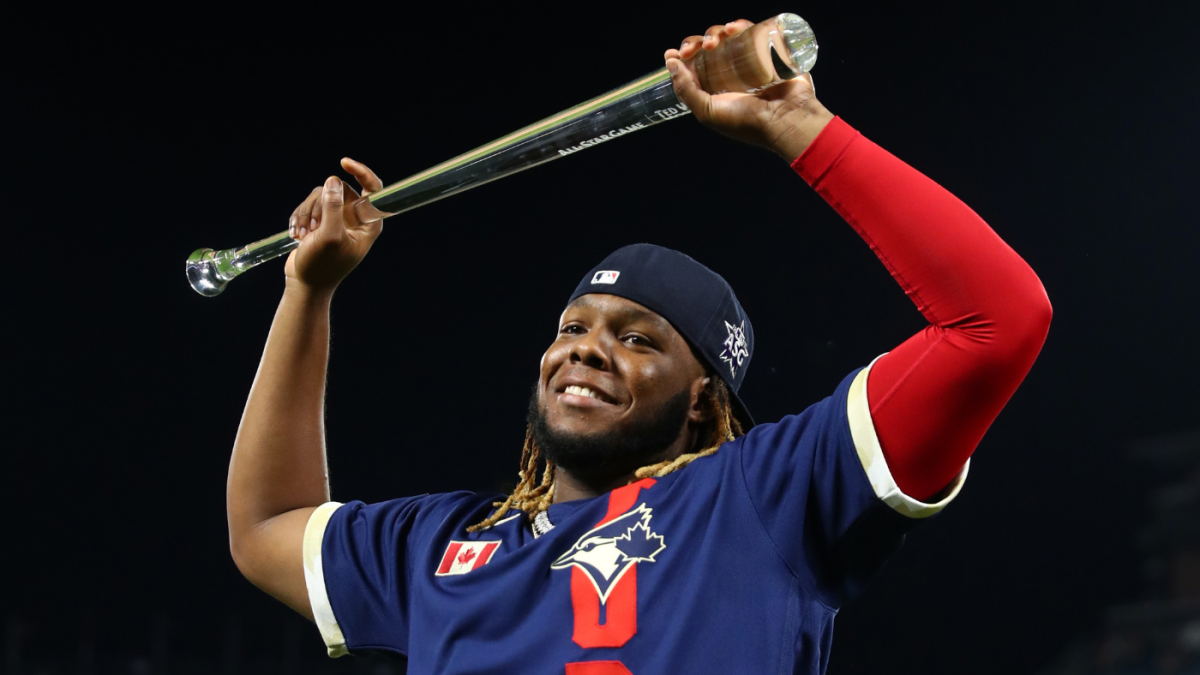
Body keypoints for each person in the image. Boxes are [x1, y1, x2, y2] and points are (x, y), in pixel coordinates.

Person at [225, 19, 1052, 675]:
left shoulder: (766, 496)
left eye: (636, 339)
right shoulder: (442, 546)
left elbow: (997, 319)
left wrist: (801, 127)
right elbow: (265, 524)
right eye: (572, 329)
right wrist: (309, 291)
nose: (584, 350)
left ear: (702, 399)